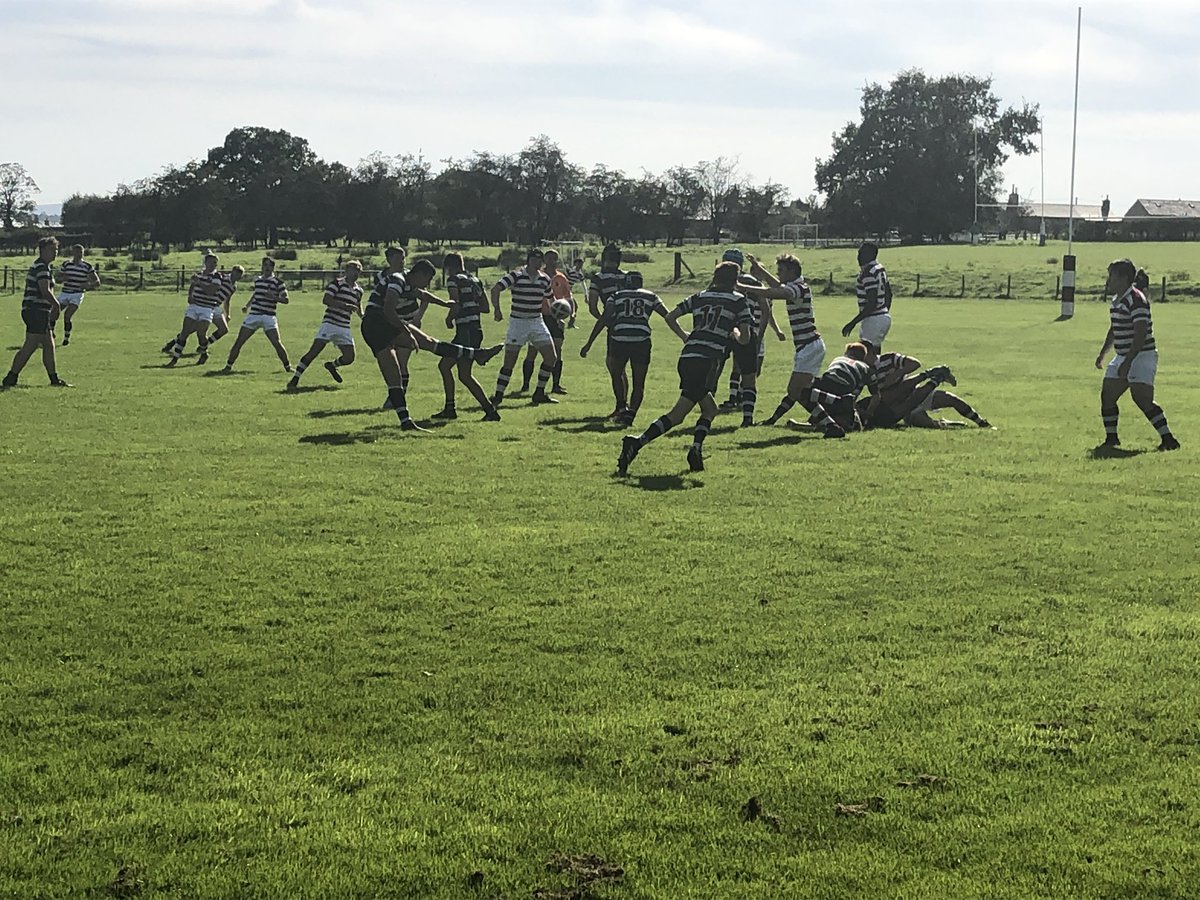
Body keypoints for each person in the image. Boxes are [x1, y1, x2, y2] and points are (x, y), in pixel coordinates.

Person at [617, 262, 753, 474]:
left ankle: (695, 450)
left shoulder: (700, 296)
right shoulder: (738, 300)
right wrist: (733, 332)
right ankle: (637, 443)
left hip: (688, 356)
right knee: (679, 414)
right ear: (735, 280)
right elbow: (745, 339)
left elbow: (671, 317)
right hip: (707, 360)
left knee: (709, 409)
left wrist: (684, 336)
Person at [361, 260, 502, 430]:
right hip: (376, 325)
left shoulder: (408, 281)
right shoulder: (398, 280)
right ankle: (477, 354)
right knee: (397, 373)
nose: (427, 284)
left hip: (386, 323)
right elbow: (388, 310)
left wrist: (443, 303)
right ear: (421, 274)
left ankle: (406, 422)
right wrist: (407, 334)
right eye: (427, 280)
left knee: (415, 357)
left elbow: (422, 294)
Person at [742, 253, 845, 438]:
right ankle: (834, 420)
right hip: (809, 346)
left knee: (794, 391)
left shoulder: (798, 288)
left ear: (791, 271)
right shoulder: (795, 285)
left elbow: (775, 292)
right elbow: (778, 286)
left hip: (809, 347)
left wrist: (743, 286)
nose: (779, 274)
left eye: (781, 271)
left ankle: (837, 409)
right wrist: (760, 270)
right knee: (802, 392)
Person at [580, 271, 685, 427]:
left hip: (619, 339)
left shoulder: (617, 296)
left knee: (617, 375)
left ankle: (621, 406)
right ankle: (631, 414)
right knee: (639, 382)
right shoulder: (651, 296)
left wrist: (589, 343)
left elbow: (604, 318)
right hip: (641, 341)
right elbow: (667, 315)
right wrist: (682, 335)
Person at [1095, 260, 1178, 450]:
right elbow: (1114, 328)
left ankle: (1169, 439)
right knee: (1107, 395)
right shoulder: (1117, 300)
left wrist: (1129, 362)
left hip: (1141, 355)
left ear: (1124, 278)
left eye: (1112, 276)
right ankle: (1111, 439)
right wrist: (1103, 354)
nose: (1109, 281)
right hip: (1124, 354)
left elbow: (1140, 333)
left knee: (1142, 398)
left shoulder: (1135, 299)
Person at [714, 247, 785, 427]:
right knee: (748, 375)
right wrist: (759, 335)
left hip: (725, 330)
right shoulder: (752, 282)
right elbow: (766, 309)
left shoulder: (718, 281)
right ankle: (747, 417)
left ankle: (711, 404)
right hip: (748, 331)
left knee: (716, 368)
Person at [432, 253, 502, 421]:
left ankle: (456, 409)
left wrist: (450, 318)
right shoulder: (475, 280)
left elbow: (454, 302)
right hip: (476, 329)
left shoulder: (454, 280)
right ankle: (486, 410)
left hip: (465, 330)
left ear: (449, 267)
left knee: (451, 369)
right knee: (459, 372)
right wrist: (472, 306)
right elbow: (485, 307)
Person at [491, 248, 559, 408]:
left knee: (551, 357)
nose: (537, 263)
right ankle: (498, 396)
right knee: (510, 361)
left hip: (536, 321)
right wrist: (497, 309)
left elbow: (551, 299)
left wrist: (557, 312)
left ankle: (539, 393)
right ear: (528, 260)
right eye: (534, 259)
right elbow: (496, 289)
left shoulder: (544, 279)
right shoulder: (516, 275)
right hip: (518, 322)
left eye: (539, 260)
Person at [3, 236, 71, 388]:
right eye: (53, 250)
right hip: (36, 310)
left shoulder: (43, 266)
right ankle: (11, 377)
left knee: (48, 344)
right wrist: (56, 305)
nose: (56, 253)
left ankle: (54, 379)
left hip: (37, 311)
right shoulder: (41, 267)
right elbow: (45, 290)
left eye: (57, 250)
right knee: (31, 345)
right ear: (44, 250)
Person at [287, 260, 365, 391]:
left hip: (344, 326)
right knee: (314, 352)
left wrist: (367, 318)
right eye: (353, 269)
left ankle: (332, 365)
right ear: (346, 271)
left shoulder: (359, 291)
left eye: (358, 270)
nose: (355, 273)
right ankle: (295, 378)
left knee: (349, 357)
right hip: (330, 323)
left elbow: (359, 310)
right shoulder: (337, 283)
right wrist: (344, 306)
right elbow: (326, 300)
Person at [221, 257, 292, 373]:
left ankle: (288, 367)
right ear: (262, 267)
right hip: (254, 315)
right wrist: (247, 305)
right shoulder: (258, 280)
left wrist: (273, 297)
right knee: (239, 341)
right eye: (265, 265)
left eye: (269, 265)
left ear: (273, 268)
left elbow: (286, 299)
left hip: (269, 316)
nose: (267, 268)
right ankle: (228, 366)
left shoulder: (278, 283)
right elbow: (256, 294)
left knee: (277, 343)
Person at [519, 248, 571, 394]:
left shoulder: (561, 278)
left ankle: (556, 385)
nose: (552, 261)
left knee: (557, 350)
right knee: (532, 351)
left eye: (555, 258)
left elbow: (567, 298)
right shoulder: (538, 276)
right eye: (549, 258)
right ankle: (526, 384)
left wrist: (570, 314)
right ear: (544, 260)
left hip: (555, 318)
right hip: (538, 317)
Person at [588, 244, 629, 419]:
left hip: (614, 326)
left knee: (614, 366)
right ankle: (625, 403)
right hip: (631, 322)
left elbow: (592, 307)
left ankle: (621, 405)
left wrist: (605, 321)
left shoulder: (598, 278)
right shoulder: (626, 276)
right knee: (623, 367)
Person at [165, 253, 224, 367]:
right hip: (194, 306)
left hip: (207, 308)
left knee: (201, 334)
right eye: (211, 262)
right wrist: (190, 295)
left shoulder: (217, 277)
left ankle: (204, 353)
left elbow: (211, 291)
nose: (213, 265)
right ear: (205, 263)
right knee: (184, 332)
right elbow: (192, 286)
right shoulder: (199, 275)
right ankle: (174, 359)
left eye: (215, 263)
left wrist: (199, 282)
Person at [841, 241, 892, 352]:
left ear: (870, 255)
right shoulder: (879, 268)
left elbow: (871, 303)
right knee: (874, 354)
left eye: (861, 254)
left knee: (867, 356)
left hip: (874, 319)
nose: (858, 257)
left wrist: (852, 323)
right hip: (883, 316)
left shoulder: (867, 272)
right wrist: (884, 310)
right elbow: (889, 294)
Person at [57, 244, 101, 346]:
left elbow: (97, 282)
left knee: (67, 315)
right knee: (54, 313)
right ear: (73, 253)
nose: (79, 254)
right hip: (65, 292)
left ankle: (66, 338)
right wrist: (63, 278)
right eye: (77, 252)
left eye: (81, 252)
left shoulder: (87, 266)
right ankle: (49, 335)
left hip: (77, 294)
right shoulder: (66, 264)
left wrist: (88, 285)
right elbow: (57, 278)